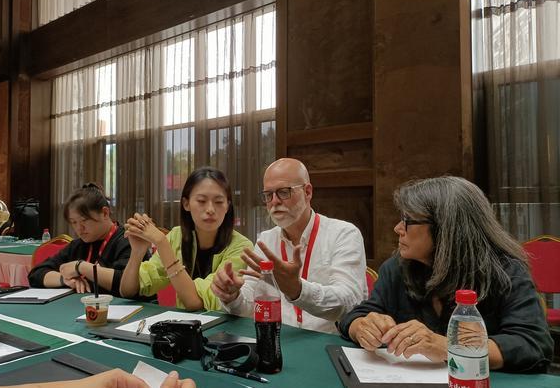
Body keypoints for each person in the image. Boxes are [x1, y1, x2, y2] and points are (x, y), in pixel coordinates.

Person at [0, 72, 194, 388]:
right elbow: (39, 273)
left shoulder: (121, 240)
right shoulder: (80, 245)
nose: (79, 229)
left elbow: (128, 286)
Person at [338, 176, 554, 373]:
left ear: (446, 227)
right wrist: (362, 327)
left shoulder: (506, 272)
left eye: (408, 220)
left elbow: (532, 345)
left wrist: (450, 348)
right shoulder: (397, 267)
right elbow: (356, 316)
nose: (397, 228)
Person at [211, 158, 368, 333]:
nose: (275, 201)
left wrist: (298, 289)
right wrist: (233, 296)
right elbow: (250, 306)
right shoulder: (266, 240)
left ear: (307, 192)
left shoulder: (343, 234)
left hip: (328, 342)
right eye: (268, 195)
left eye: (283, 192)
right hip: (279, 339)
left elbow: (350, 302)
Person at [120, 167, 253, 310]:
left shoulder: (242, 247)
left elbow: (195, 302)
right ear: (186, 204)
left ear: (227, 206)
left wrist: (162, 243)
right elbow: (128, 291)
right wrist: (137, 252)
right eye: (201, 201)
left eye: (219, 202)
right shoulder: (177, 236)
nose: (210, 209)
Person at [28, 183, 149, 296]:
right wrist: (64, 280)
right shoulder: (79, 245)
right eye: (74, 222)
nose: (79, 228)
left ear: (105, 213)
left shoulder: (128, 240)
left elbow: (125, 284)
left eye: (84, 220)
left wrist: (81, 267)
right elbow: (36, 274)